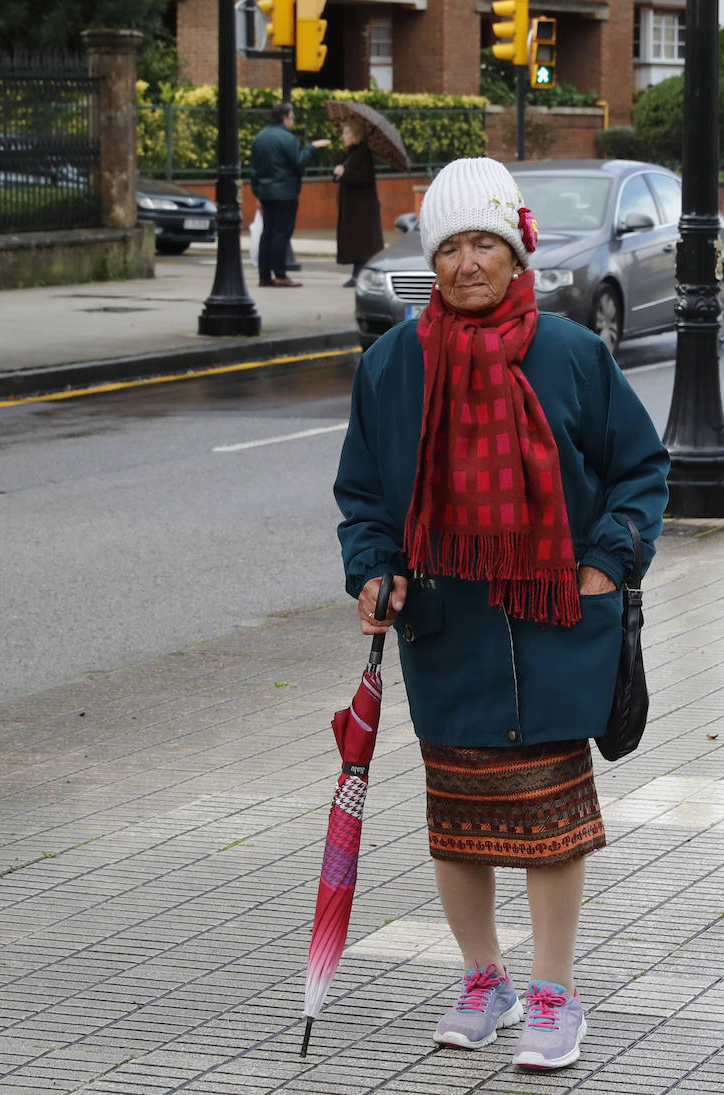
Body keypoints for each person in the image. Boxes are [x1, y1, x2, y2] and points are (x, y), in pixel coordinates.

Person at [333, 157, 669, 1070]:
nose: (467, 261)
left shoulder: (570, 354)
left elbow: (641, 469)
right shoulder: (391, 366)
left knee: (552, 816)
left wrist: (607, 561)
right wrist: (373, 571)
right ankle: (485, 977)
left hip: (556, 617)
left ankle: (555, 991)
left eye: (485, 241)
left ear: (517, 254)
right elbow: (365, 497)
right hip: (446, 625)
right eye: (450, 245)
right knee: (460, 817)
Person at [249, 101, 329, 288]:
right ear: (285, 118)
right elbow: (298, 163)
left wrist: (257, 193)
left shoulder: (259, 138)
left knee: (267, 233)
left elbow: (254, 170)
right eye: (292, 117)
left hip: (266, 192)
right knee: (281, 234)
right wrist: (311, 148)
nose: (293, 121)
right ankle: (280, 274)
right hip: (285, 193)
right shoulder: (288, 139)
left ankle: (264, 275)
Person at [332, 120, 384, 288]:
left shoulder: (363, 153)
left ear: (356, 135)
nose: (343, 137)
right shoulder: (351, 153)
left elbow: (363, 178)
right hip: (352, 208)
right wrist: (339, 173)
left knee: (362, 244)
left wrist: (345, 173)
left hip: (361, 210)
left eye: (347, 133)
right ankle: (357, 274)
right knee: (356, 244)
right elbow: (342, 177)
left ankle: (358, 276)